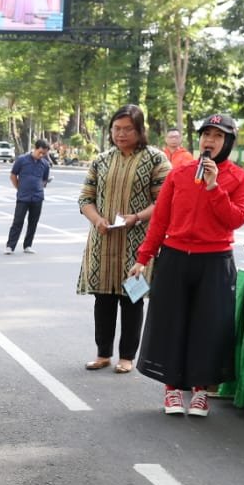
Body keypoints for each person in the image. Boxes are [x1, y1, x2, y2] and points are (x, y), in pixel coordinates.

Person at [132, 113, 244, 415]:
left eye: (217, 136)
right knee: (171, 324)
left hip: (215, 261)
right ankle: (172, 390)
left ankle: (200, 390)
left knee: (208, 327)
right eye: (205, 135)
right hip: (175, 257)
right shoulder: (179, 174)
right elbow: (160, 220)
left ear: (228, 142)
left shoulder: (239, 178)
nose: (209, 141)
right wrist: (143, 258)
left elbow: (236, 219)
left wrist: (214, 188)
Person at [78, 105, 171, 374]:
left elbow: (164, 201)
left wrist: (137, 217)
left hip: (138, 243)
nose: (120, 134)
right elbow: (86, 198)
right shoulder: (102, 159)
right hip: (103, 242)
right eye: (116, 128)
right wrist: (97, 219)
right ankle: (103, 353)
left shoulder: (156, 160)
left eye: (127, 129)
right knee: (103, 298)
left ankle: (127, 356)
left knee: (133, 299)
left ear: (140, 130)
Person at [6, 139, 52, 254]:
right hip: (23, 197)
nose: (41, 155)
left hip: (37, 197)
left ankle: (28, 245)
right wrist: (19, 188)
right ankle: (10, 246)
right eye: (40, 152)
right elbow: (13, 175)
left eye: (44, 154)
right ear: (35, 148)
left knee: (33, 222)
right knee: (18, 221)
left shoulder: (45, 164)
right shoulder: (22, 160)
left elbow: (44, 180)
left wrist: (43, 184)